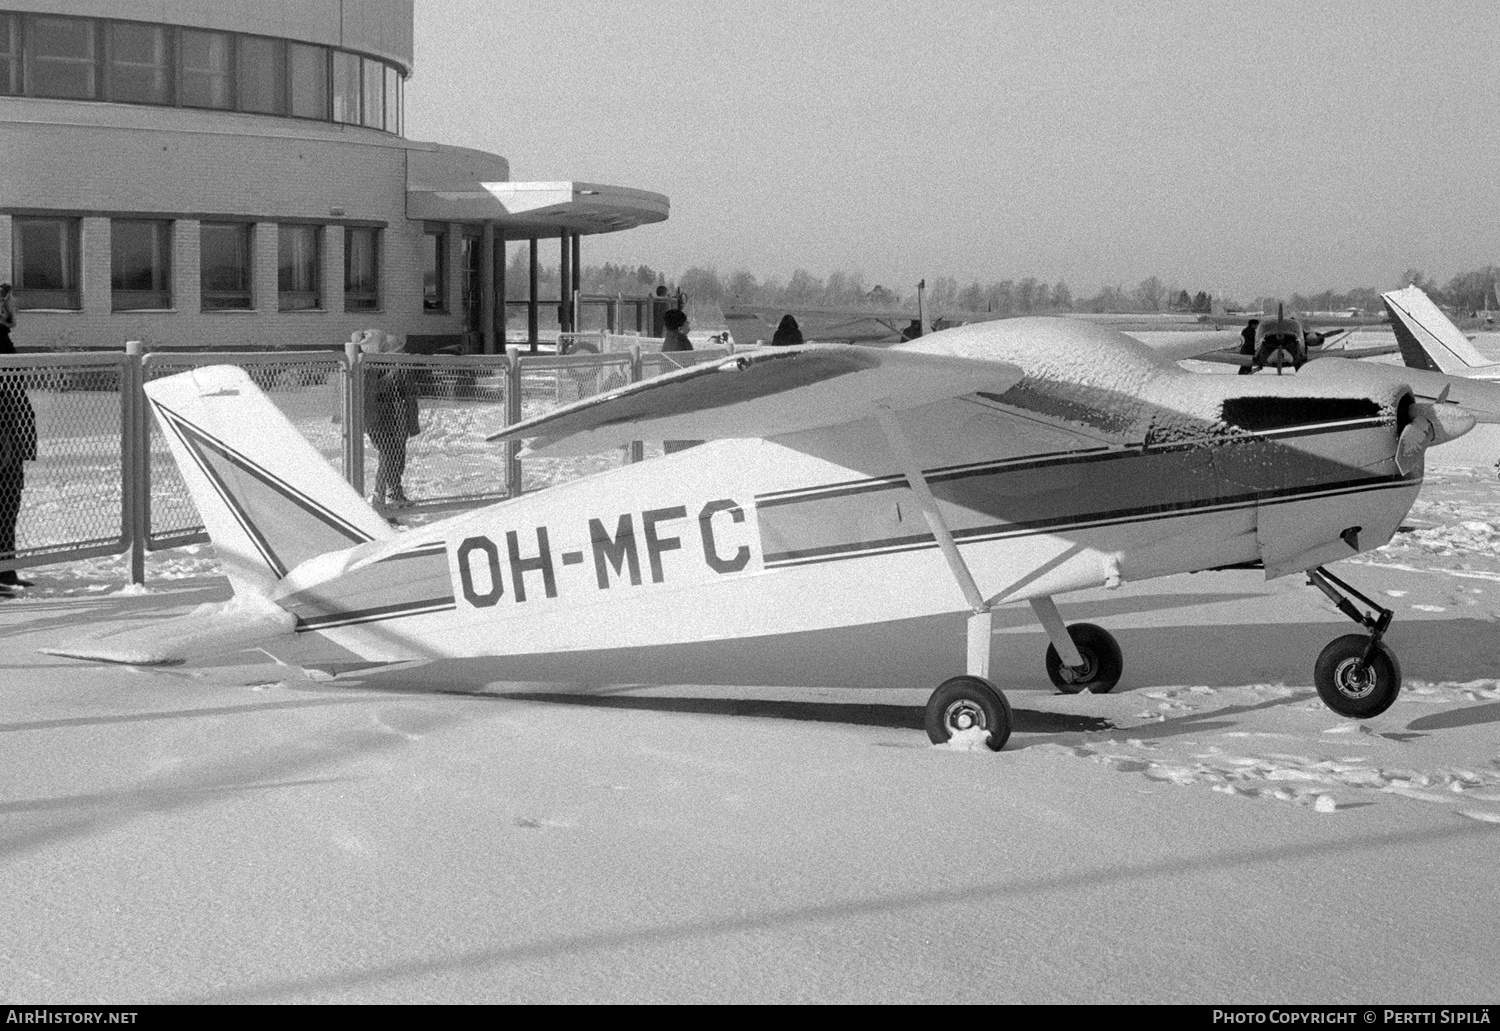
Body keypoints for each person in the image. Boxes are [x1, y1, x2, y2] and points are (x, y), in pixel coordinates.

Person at [356, 329, 420, 508]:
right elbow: (372, 391)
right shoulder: (369, 365)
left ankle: (394, 492)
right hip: (380, 418)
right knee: (389, 454)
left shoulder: (390, 363)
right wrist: (392, 375)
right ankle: (380, 493)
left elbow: (407, 391)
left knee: (398, 455)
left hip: (396, 415)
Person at [0, 283, 36, 593]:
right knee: (5, 502)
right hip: (4, 438)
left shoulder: (3, 338)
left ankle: (6, 571)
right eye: (10, 302)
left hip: (11, 435)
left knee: (9, 503)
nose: (15, 308)